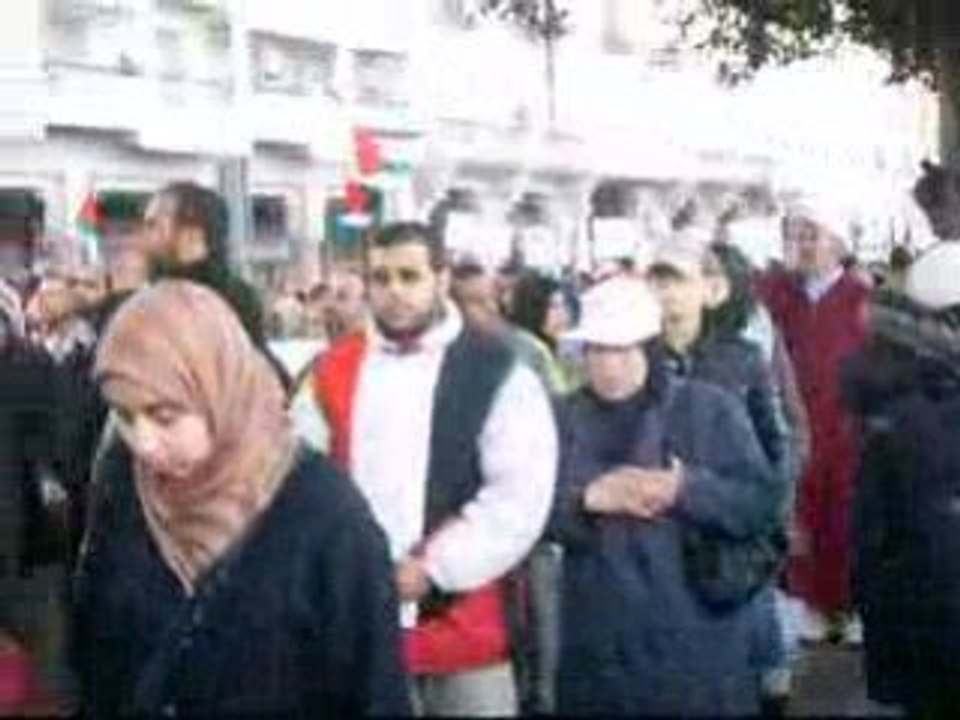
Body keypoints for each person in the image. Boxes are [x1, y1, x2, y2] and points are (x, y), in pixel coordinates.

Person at [72, 281, 410, 717]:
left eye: (164, 416)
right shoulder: (124, 487)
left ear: (220, 392)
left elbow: (375, 692)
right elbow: (98, 656)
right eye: (124, 416)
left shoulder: (326, 516)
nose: (145, 444)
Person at [309, 222, 558, 716]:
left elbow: (520, 495)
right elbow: (301, 482)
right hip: (361, 628)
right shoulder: (332, 370)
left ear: (440, 279)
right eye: (381, 278)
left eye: (409, 276)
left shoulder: (499, 368)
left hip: (469, 632)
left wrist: (433, 568)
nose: (395, 291)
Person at [552, 276, 778, 716]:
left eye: (621, 350)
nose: (609, 366)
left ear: (650, 349)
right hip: (599, 647)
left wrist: (686, 488)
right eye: (597, 350)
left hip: (696, 639)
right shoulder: (559, 418)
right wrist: (585, 501)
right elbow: (525, 516)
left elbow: (758, 504)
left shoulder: (708, 410)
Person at [844, 241, 960, 718]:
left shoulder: (885, 400)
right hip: (929, 627)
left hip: (916, 631)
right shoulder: (898, 410)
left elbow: (871, 548)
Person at [758, 195, 870, 645]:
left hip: (846, 442)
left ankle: (847, 612)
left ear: (838, 243)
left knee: (844, 528)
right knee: (796, 528)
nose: (801, 245)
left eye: (811, 235)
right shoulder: (777, 298)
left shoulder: (862, 302)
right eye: (795, 235)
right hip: (793, 438)